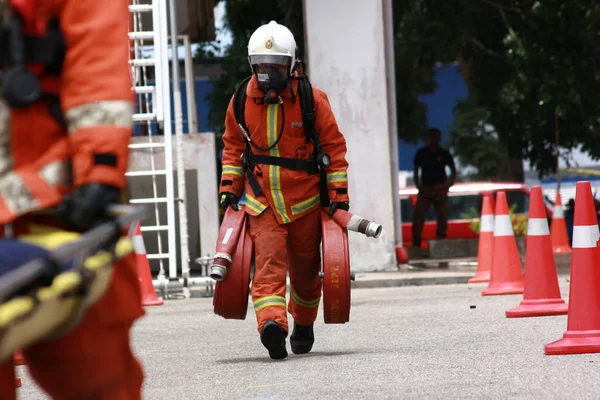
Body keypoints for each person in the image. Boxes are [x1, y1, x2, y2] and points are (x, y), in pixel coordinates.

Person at [0, 1, 144, 398]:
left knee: (96, 372)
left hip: (55, 199)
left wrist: (98, 173)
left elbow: (96, 63)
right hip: (48, 194)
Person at [219, 20, 350, 360]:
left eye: (276, 65)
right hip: (262, 205)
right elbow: (233, 149)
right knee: (267, 269)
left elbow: (334, 150)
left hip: (306, 203)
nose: (268, 72)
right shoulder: (239, 101)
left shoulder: (312, 100)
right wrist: (229, 190)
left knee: (306, 275)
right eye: (262, 66)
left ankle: (303, 322)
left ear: (291, 65)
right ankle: (271, 327)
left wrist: (338, 197)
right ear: (252, 64)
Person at [412, 128, 457, 248]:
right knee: (419, 214)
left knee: (442, 214)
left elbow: (453, 170)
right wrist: (419, 186)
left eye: (437, 137)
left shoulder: (444, 153)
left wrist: (448, 185)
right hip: (426, 188)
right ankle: (416, 240)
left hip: (440, 188)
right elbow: (416, 170)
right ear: (429, 138)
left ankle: (441, 237)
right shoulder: (422, 153)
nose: (435, 139)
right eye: (433, 137)